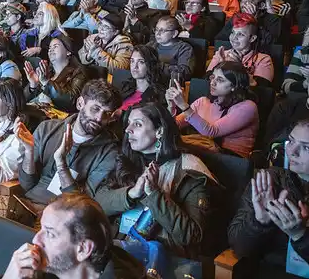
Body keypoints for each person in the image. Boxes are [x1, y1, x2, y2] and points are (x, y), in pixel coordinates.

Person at [96, 102, 215, 259]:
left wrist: (154, 194)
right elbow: (96, 203)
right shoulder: (128, 159)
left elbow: (190, 236)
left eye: (137, 124)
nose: (127, 129)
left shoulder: (189, 170)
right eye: (129, 123)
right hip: (116, 245)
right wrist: (131, 194)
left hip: (158, 256)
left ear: (159, 131)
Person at [15, 80, 122, 208]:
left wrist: (61, 165)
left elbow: (83, 205)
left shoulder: (109, 153)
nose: (99, 118)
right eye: (96, 109)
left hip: (62, 218)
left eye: (107, 113)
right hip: (26, 205)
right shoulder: (47, 128)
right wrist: (29, 152)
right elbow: (26, 185)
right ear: (80, 103)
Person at [0, 193, 145, 279]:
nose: (36, 239)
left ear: (83, 249)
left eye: (50, 234)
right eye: (41, 228)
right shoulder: (48, 270)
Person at [228, 119, 309, 273]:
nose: (293, 151)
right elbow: (239, 247)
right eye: (291, 141)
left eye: (306, 147)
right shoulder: (269, 181)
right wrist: (259, 222)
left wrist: (300, 236)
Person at [167, 62, 259, 157]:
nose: (212, 82)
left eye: (220, 80)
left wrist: (183, 105)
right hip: (205, 154)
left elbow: (211, 132)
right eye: (212, 77)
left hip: (232, 161)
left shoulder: (248, 107)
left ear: (234, 86)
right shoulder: (203, 102)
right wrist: (171, 106)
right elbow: (172, 126)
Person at [207, 12, 274, 87]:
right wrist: (221, 66)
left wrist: (237, 67)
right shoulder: (221, 55)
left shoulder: (263, 59)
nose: (234, 38)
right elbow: (206, 81)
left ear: (252, 38)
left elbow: (260, 90)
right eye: (233, 32)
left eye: (240, 34)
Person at [24, 35, 87, 113]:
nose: (50, 50)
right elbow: (24, 101)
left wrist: (46, 83)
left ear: (68, 51)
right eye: (50, 48)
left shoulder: (78, 72)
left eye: (55, 46)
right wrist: (33, 85)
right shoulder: (46, 72)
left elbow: (72, 101)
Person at [117, 45, 166, 113]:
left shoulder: (158, 95)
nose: (135, 66)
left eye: (141, 62)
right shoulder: (125, 86)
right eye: (132, 61)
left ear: (151, 65)